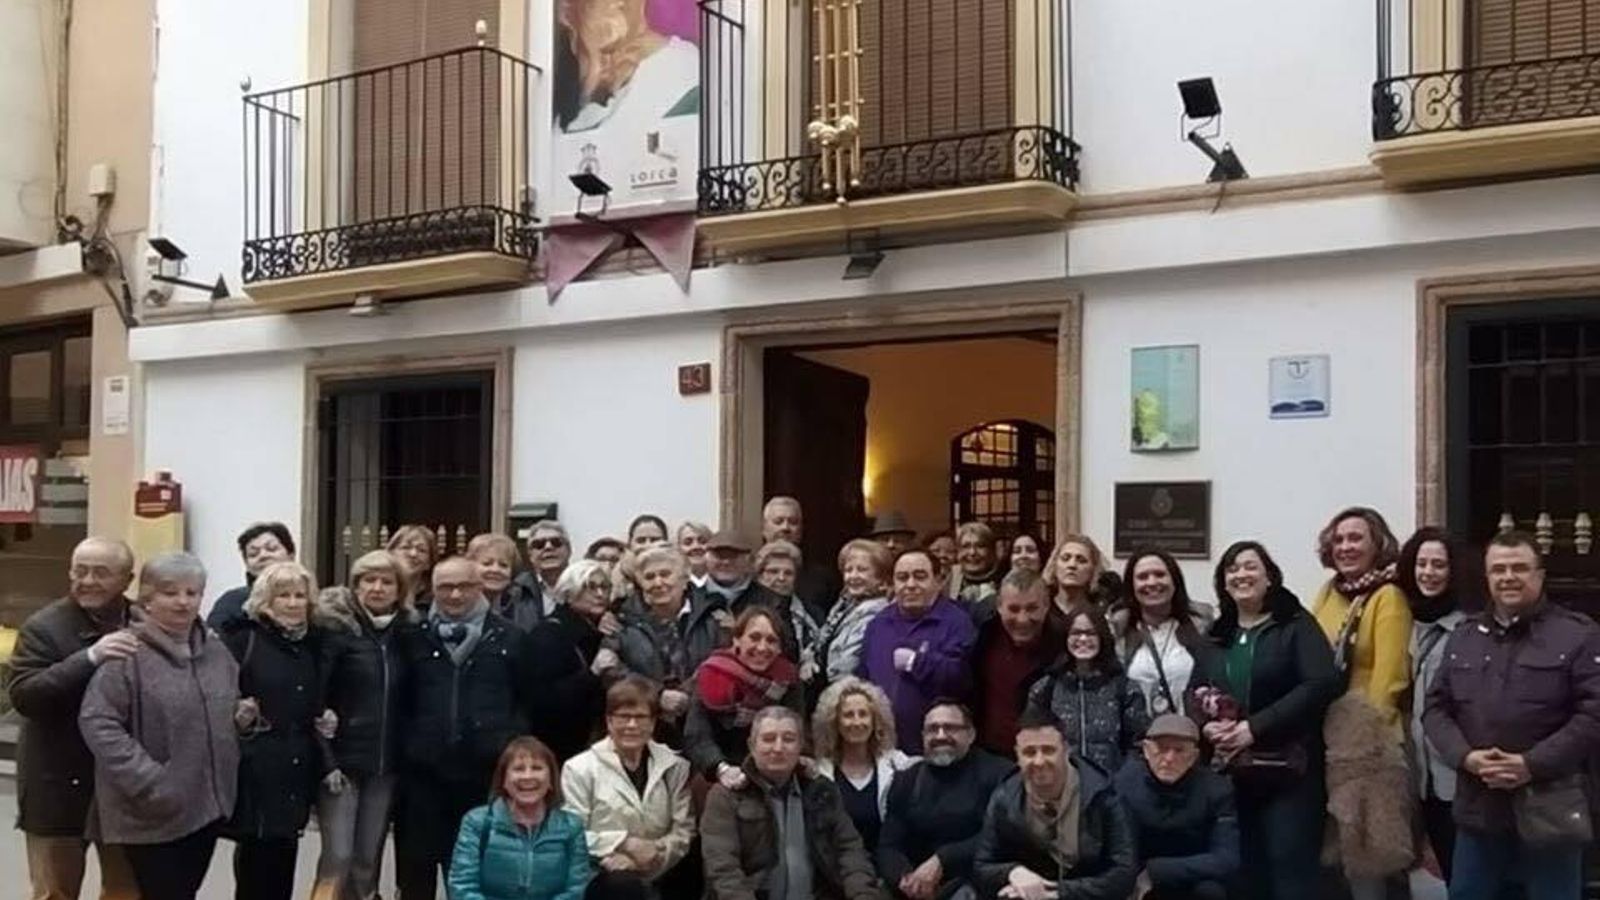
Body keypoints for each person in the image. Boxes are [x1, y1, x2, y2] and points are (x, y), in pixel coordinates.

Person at [1424, 531, 1600, 900]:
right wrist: (1466, 757)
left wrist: (1530, 764)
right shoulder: (1464, 636)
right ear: (1487, 577)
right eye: (1498, 569)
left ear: (1539, 574)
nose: (1508, 577)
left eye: (1519, 567)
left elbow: (1593, 715)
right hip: (1478, 805)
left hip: (1551, 807)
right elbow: (1436, 709)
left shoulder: (1578, 636)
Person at [80, 552, 241, 900]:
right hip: (152, 811)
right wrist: (151, 780)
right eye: (170, 593)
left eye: (192, 592)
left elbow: (225, 705)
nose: (183, 601)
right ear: (147, 599)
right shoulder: (127, 654)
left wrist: (241, 717)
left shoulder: (217, 652)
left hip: (207, 806)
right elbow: (98, 721)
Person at [1199, 539, 1339, 900]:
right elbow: (1196, 688)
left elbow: (1319, 683)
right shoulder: (1218, 634)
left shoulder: (1295, 624)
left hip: (1288, 771)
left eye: (1250, 566)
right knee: (1244, 869)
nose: (1241, 574)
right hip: (1233, 773)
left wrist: (1254, 727)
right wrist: (1206, 724)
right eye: (1232, 569)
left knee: (1288, 868)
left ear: (1269, 578)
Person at [395, 556, 535, 900]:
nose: (455, 594)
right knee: (416, 873)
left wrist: (507, 745)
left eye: (465, 586)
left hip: (483, 775)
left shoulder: (510, 636)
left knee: (478, 874)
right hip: (423, 775)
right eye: (446, 587)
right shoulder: (413, 637)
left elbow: (525, 700)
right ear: (433, 589)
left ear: (480, 587)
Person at [9, 537, 141, 900]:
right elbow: (25, 696)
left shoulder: (144, 622)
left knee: (126, 890)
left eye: (101, 573)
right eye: (79, 571)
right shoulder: (43, 626)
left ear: (127, 579)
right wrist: (89, 658)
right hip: (55, 784)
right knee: (55, 891)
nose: (87, 580)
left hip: (122, 787)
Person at [1311, 507, 1416, 897]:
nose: (1345, 547)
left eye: (1356, 539)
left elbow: (1390, 679)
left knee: (1370, 858)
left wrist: (1361, 742)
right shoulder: (1328, 592)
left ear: (1378, 545)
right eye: (1338, 539)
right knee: (1334, 856)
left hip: (1370, 748)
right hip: (1325, 738)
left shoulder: (1388, 596)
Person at [700, 706, 886, 900]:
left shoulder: (821, 790)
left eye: (788, 739)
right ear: (752, 745)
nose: (778, 748)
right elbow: (722, 868)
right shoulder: (726, 796)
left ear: (800, 746)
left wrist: (863, 894)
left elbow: (849, 849)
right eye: (769, 739)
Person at [219, 561, 325, 900]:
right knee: (256, 870)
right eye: (284, 596)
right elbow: (217, 694)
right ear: (266, 599)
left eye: (300, 595)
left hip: (295, 768)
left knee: (282, 867)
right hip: (256, 767)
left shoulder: (311, 643)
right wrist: (237, 714)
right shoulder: (243, 639)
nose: (293, 603)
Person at [312, 551, 414, 900]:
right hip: (341, 764)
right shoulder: (336, 631)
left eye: (387, 581)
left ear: (400, 590)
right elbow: (317, 703)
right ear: (355, 587)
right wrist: (327, 759)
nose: (377, 588)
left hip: (385, 765)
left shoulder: (407, 633)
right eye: (368, 580)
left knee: (366, 861)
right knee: (337, 857)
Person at [971, 708, 1137, 900]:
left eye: (1048, 750)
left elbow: (1124, 874)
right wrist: (1013, 872)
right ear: (1017, 755)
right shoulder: (1004, 798)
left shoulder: (1104, 795)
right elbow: (982, 866)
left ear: (1067, 750)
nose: (1039, 761)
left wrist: (1057, 893)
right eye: (1029, 752)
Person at [562, 677, 698, 900]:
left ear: (653, 723)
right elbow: (572, 833)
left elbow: (683, 831)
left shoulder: (675, 767)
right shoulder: (578, 768)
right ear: (609, 721)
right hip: (601, 874)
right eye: (624, 717)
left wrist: (651, 857)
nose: (632, 725)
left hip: (661, 870)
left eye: (641, 717)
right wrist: (624, 843)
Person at [1397, 527, 1476, 882]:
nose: (1428, 572)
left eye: (1438, 565)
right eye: (1421, 563)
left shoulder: (1471, 628)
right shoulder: (1408, 623)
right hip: (1424, 778)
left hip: (1461, 777)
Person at [877, 702, 1015, 900]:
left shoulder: (1000, 774)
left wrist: (943, 859)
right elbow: (888, 846)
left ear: (971, 735)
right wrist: (907, 880)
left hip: (979, 885)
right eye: (932, 729)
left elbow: (1002, 836)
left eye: (950, 728)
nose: (941, 736)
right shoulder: (906, 780)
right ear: (923, 736)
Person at [604, 546, 728, 746]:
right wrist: (658, 695)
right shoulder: (622, 623)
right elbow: (609, 669)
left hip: (706, 726)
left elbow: (723, 660)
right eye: (649, 577)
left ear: (684, 579)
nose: (658, 582)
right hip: (645, 729)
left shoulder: (713, 618)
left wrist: (688, 694)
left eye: (665, 574)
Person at [859, 549, 977, 754]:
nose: (910, 585)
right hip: (884, 749)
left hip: (939, 747)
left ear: (939, 581)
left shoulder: (956, 622)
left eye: (920, 577)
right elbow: (863, 679)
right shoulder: (878, 624)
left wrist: (917, 662)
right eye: (902, 578)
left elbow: (962, 679)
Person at [1112, 714, 1240, 900]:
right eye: (1161, 749)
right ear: (1146, 751)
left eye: (1179, 751)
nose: (1169, 758)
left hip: (1192, 877)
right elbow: (1120, 852)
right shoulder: (1125, 785)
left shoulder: (1217, 790)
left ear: (1194, 756)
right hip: (1137, 878)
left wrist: (1155, 871)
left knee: (1211, 892)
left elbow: (1227, 859)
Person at [448, 736, 591, 900]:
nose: (527, 776)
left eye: (537, 768)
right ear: (504, 780)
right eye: (518, 769)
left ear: (551, 780)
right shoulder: (476, 822)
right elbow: (462, 886)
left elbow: (577, 889)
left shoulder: (571, 826)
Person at [1023, 605, 1149, 775]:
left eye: (1090, 633)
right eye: (1075, 633)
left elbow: (1138, 745)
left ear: (1102, 638)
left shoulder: (1125, 689)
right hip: (1062, 788)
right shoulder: (1045, 689)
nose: (1083, 639)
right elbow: (1031, 742)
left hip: (1111, 789)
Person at [686, 607, 805, 788]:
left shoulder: (787, 680)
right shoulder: (712, 674)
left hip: (774, 771)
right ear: (737, 639)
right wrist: (721, 768)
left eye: (771, 641)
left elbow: (796, 729)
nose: (762, 647)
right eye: (754, 638)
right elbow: (697, 735)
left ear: (780, 648)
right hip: (719, 772)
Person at [812, 677, 918, 855]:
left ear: (876, 720)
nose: (857, 722)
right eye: (848, 715)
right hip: (839, 872)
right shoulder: (819, 772)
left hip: (889, 870)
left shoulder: (899, 765)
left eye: (863, 714)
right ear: (834, 722)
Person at [527, 559, 613, 761]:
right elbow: (544, 701)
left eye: (604, 587)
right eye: (590, 587)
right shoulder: (548, 634)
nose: (600, 594)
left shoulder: (599, 631)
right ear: (568, 592)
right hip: (561, 748)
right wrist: (592, 673)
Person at [1116, 549, 1218, 717]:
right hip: (1137, 738)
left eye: (1160, 574)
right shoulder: (1119, 633)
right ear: (1131, 586)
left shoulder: (1201, 627)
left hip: (1189, 735)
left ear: (1174, 581)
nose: (1152, 582)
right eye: (1142, 577)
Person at [972, 570, 1064, 756]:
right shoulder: (982, 634)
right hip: (987, 754)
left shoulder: (1063, 645)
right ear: (999, 606)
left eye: (1032, 609)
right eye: (1013, 609)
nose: (1022, 619)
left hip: (1040, 756)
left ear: (1046, 606)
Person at [815, 539, 894, 685]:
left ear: (881, 578)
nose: (853, 576)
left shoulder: (878, 611)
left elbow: (849, 665)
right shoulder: (845, 605)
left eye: (862, 570)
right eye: (848, 570)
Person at [762, 495, 841, 624]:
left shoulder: (822, 578)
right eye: (778, 521)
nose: (785, 528)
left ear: (801, 529)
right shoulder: (749, 574)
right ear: (764, 528)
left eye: (793, 522)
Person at [207, 521, 296, 631]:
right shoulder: (232, 602)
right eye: (253, 554)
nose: (263, 555)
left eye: (272, 549)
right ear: (247, 565)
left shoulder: (311, 599)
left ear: (291, 555)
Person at [754, 539, 822, 669]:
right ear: (760, 575)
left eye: (788, 573)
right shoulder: (745, 608)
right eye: (773, 571)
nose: (781, 578)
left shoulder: (812, 614)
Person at [505, 520, 574, 631]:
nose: (548, 547)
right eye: (539, 544)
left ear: (569, 550)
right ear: (531, 556)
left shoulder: (585, 587)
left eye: (556, 542)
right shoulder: (514, 591)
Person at [467, 532, 541, 632]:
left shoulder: (523, 609)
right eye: (487, 563)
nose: (495, 570)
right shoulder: (457, 605)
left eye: (503, 565)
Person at [1041, 534, 1115, 620]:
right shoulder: (1042, 606)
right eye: (1065, 558)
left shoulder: (1102, 610)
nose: (1072, 565)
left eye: (1081, 560)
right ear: (1055, 565)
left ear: (1093, 569)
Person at [951, 522, 1001, 610]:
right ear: (958, 551)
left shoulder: (1004, 582)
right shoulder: (947, 581)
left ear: (992, 551)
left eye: (980, 546)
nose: (972, 552)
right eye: (966, 546)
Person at [387, 524, 438, 609]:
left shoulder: (435, 598)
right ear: (391, 554)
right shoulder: (379, 589)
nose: (413, 554)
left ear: (429, 563)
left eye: (422, 550)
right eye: (406, 547)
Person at [677, 521, 713, 589]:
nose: (696, 546)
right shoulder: (673, 586)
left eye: (702, 541)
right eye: (688, 543)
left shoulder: (724, 583)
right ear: (679, 548)